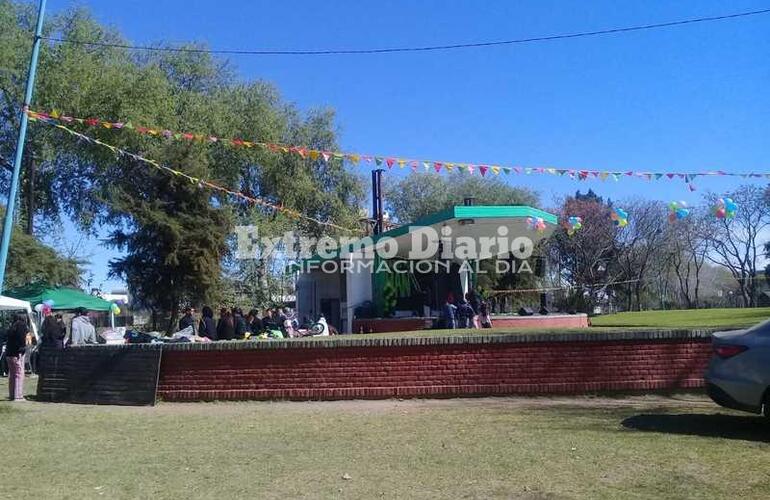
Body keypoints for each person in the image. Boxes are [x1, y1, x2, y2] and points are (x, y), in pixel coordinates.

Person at [6, 313, 29, 401]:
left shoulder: (12, 327)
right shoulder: (21, 326)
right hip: (17, 353)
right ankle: (18, 395)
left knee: (12, 375)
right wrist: (22, 348)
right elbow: (21, 339)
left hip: (9, 353)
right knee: (19, 374)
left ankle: (12, 394)